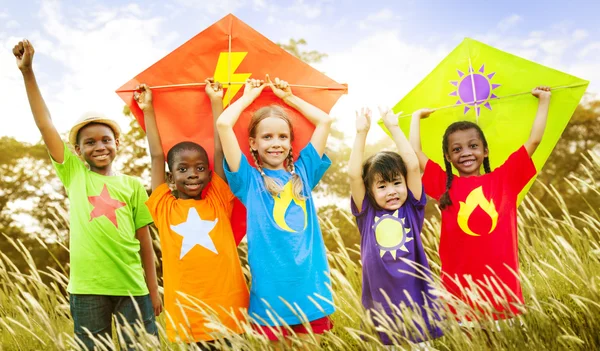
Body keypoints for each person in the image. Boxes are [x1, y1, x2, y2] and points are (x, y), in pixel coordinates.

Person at [13, 39, 161, 350]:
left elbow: (144, 241)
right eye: (90, 143)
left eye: (105, 139)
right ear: (78, 151)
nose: (99, 146)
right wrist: (28, 72)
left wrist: (153, 288)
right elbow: (45, 124)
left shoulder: (132, 185)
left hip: (133, 288)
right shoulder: (75, 175)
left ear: (117, 143)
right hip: (87, 289)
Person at [409, 87, 552, 322]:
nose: (466, 153)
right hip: (460, 292)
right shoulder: (445, 185)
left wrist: (544, 100)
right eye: (457, 149)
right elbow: (415, 153)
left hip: (502, 290)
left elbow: (534, 139)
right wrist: (416, 117)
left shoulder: (505, 179)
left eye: (473, 146)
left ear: (485, 151)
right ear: (448, 157)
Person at [216, 76, 334, 349]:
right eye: (267, 137)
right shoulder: (248, 180)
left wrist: (288, 97)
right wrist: (249, 97)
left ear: (292, 143)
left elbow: (324, 122)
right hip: (270, 293)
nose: (275, 143)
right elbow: (223, 124)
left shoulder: (304, 172)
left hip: (310, 288)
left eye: (283, 136)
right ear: (253, 144)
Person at [134, 80, 248, 349]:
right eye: (183, 169)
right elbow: (155, 155)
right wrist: (148, 109)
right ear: (171, 177)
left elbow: (220, 150)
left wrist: (216, 101)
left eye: (199, 167)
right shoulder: (163, 206)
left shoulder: (218, 199)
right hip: (188, 315)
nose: (192, 173)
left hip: (229, 310)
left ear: (209, 173)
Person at [348, 107, 443, 346]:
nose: (391, 191)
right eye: (381, 186)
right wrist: (361, 132)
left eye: (396, 183)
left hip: (416, 302)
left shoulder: (411, 207)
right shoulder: (367, 213)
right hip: (382, 307)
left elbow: (412, 165)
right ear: (370, 191)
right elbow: (354, 176)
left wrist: (394, 127)